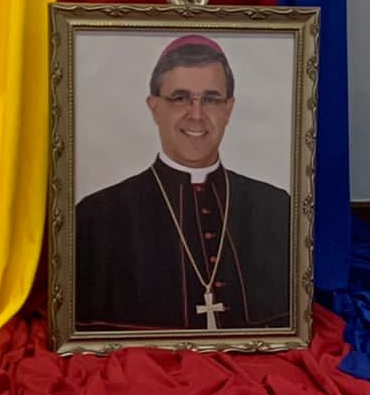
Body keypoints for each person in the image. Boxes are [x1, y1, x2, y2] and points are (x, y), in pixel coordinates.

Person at [74, 35, 291, 331]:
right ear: (154, 107)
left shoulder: (276, 208)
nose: (196, 115)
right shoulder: (97, 218)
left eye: (211, 99)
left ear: (228, 109)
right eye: (180, 98)